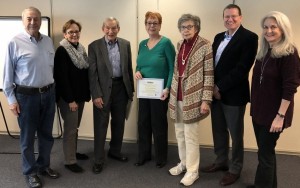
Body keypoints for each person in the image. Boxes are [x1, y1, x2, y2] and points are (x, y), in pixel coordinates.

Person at [201, 4, 258, 186]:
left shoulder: (249, 37)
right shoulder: (218, 37)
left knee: (235, 134)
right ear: (223, 18)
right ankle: (221, 161)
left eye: (233, 16)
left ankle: (235, 169)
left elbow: (242, 69)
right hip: (215, 94)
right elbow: (212, 65)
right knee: (218, 131)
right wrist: (210, 87)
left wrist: (219, 87)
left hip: (233, 95)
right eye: (226, 16)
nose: (230, 19)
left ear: (240, 17)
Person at [2, 7, 59, 188]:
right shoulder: (15, 42)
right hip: (26, 97)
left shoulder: (48, 41)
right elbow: (7, 76)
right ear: (23, 20)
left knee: (46, 136)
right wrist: (11, 99)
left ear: (40, 20)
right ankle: (30, 172)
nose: (33, 22)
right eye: (29, 19)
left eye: (36, 19)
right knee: (27, 139)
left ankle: (43, 166)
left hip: (48, 95)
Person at [247, 11, 300, 188]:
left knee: (265, 154)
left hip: (274, 115)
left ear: (283, 29)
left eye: (273, 27)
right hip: (260, 112)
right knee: (266, 152)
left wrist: (280, 116)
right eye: (266, 27)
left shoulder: (289, 53)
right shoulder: (264, 52)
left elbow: (290, 88)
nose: (268, 31)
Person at [168, 14, 214, 186]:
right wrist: (171, 93)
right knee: (180, 133)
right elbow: (175, 71)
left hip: (194, 98)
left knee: (191, 136)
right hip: (177, 95)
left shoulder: (205, 45)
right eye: (182, 27)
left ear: (196, 28)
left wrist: (206, 100)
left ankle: (193, 171)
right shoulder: (180, 44)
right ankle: (184, 163)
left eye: (189, 27)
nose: (185, 30)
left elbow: (209, 74)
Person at [88, 17, 134, 174]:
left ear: (118, 29)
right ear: (103, 29)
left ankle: (115, 151)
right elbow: (92, 74)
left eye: (114, 28)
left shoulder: (125, 44)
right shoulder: (94, 46)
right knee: (101, 125)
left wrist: (131, 91)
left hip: (121, 88)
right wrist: (96, 95)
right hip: (102, 91)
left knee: (119, 123)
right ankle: (98, 159)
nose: (111, 31)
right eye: (108, 28)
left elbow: (128, 69)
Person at [134, 11, 175, 168]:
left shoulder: (166, 43)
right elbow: (140, 65)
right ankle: (143, 155)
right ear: (145, 25)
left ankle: (161, 157)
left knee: (158, 124)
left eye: (155, 23)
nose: (152, 26)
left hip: (160, 93)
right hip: (144, 90)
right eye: (149, 23)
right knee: (143, 123)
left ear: (160, 25)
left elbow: (173, 68)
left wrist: (167, 88)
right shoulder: (142, 44)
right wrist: (137, 71)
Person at [54, 19, 90, 173]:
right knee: (70, 129)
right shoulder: (62, 51)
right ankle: (69, 161)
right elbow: (61, 78)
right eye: (71, 32)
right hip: (69, 99)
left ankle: (73, 153)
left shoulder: (80, 49)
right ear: (65, 34)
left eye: (76, 31)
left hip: (79, 96)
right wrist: (71, 100)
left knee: (74, 127)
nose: (74, 34)